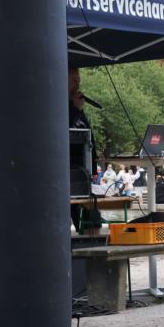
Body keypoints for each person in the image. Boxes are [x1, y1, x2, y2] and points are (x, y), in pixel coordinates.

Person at [69, 67, 100, 229]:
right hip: (68, 177)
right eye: (74, 79)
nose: (77, 84)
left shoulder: (77, 108)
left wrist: (94, 165)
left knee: (93, 224)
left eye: (79, 80)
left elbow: (88, 137)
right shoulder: (62, 107)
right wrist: (75, 108)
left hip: (83, 176)